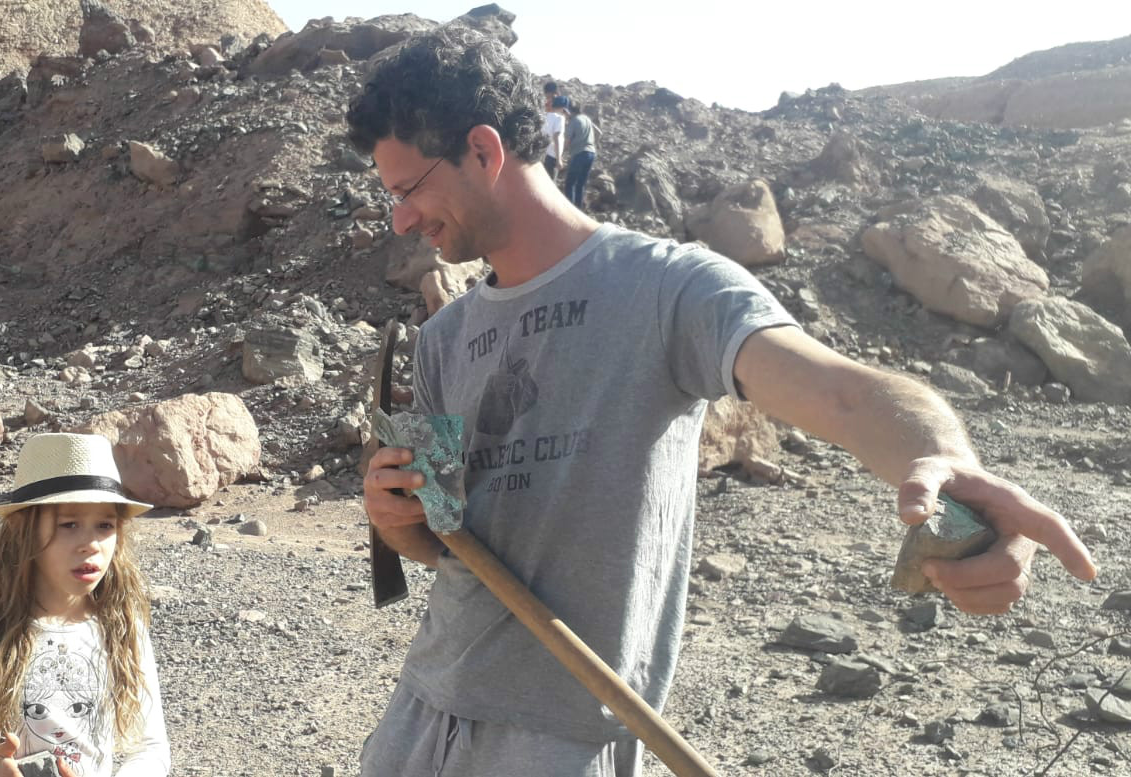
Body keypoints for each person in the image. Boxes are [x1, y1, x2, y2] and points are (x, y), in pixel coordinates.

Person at [345, 29, 1097, 776]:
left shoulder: (667, 289)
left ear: (483, 151)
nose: (401, 220)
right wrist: (398, 519)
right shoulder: (443, 339)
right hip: (420, 710)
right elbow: (442, 540)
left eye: (408, 191)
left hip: (564, 731)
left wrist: (947, 461)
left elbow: (840, 392)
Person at [0, 433, 171, 777]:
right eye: (69, 524)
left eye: (105, 525)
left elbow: (151, 748)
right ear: (23, 530)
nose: (91, 544)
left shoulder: (124, 629)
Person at [561, 99, 598, 210]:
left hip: (580, 153)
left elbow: (567, 141)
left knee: (570, 184)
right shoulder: (586, 119)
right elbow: (599, 132)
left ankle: (570, 211)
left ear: (569, 110)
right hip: (591, 153)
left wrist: (560, 154)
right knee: (580, 184)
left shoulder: (574, 121)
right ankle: (578, 209)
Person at [541, 93, 566, 181]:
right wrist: (559, 159)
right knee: (549, 182)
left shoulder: (545, 115)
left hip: (542, 153)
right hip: (552, 156)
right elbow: (556, 137)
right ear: (563, 108)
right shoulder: (559, 118)